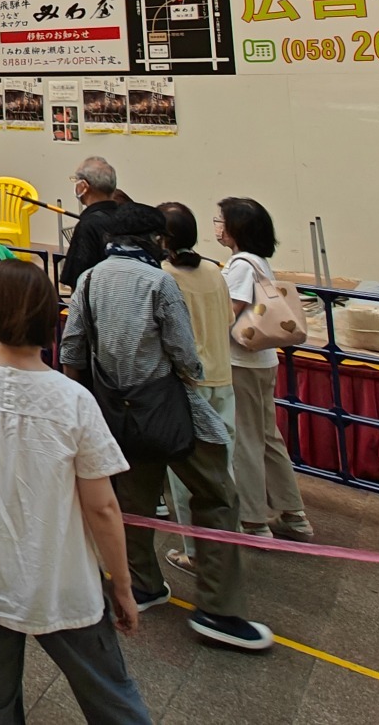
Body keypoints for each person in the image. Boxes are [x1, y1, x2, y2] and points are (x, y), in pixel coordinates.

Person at [0, 260, 150, 725]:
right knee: (111, 697)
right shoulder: (72, 400)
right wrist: (123, 587)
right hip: (58, 575)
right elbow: (103, 507)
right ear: (51, 320)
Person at [63, 203, 272, 651]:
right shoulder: (159, 281)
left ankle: (143, 584)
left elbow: (73, 350)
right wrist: (190, 372)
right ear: (154, 241)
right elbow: (184, 353)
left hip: (115, 411)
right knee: (217, 495)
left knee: (133, 503)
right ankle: (218, 608)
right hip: (169, 407)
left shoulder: (89, 279)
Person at [217, 197, 314, 541]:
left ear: (236, 228)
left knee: (245, 437)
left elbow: (229, 311)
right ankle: (293, 511)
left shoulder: (241, 265)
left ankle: (254, 519)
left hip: (241, 360)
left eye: (221, 221)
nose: (217, 226)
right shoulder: (258, 261)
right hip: (263, 360)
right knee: (269, 437)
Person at [159, 200, 236, 576]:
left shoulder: (163, 276)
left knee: (187, 476)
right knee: (222, 468)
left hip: (189, 383)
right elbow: (228, 318)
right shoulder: (215, 271)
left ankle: (195, 550)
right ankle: (228, 544)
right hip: (222, 377)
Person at [58, 156, 122, 287]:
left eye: (76, 181)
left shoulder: (88, 225)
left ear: (83, 186)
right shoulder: (125, 216)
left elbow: (78, 278)